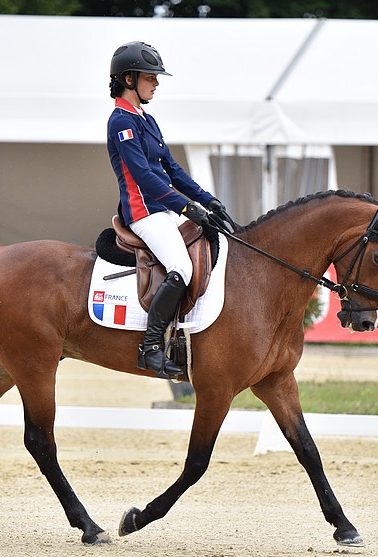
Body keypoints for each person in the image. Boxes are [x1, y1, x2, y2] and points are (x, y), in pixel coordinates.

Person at [107, 41, 225, 379]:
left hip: (164, 208)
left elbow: (171, 169)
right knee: (181, 268)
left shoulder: (148, 119)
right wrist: (187, 207)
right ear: (129, 80)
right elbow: (143, 176)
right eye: (150, 78)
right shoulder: (120, 121)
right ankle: (152, 346)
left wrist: (206, 199)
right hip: (142, 211)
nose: (156, 84)